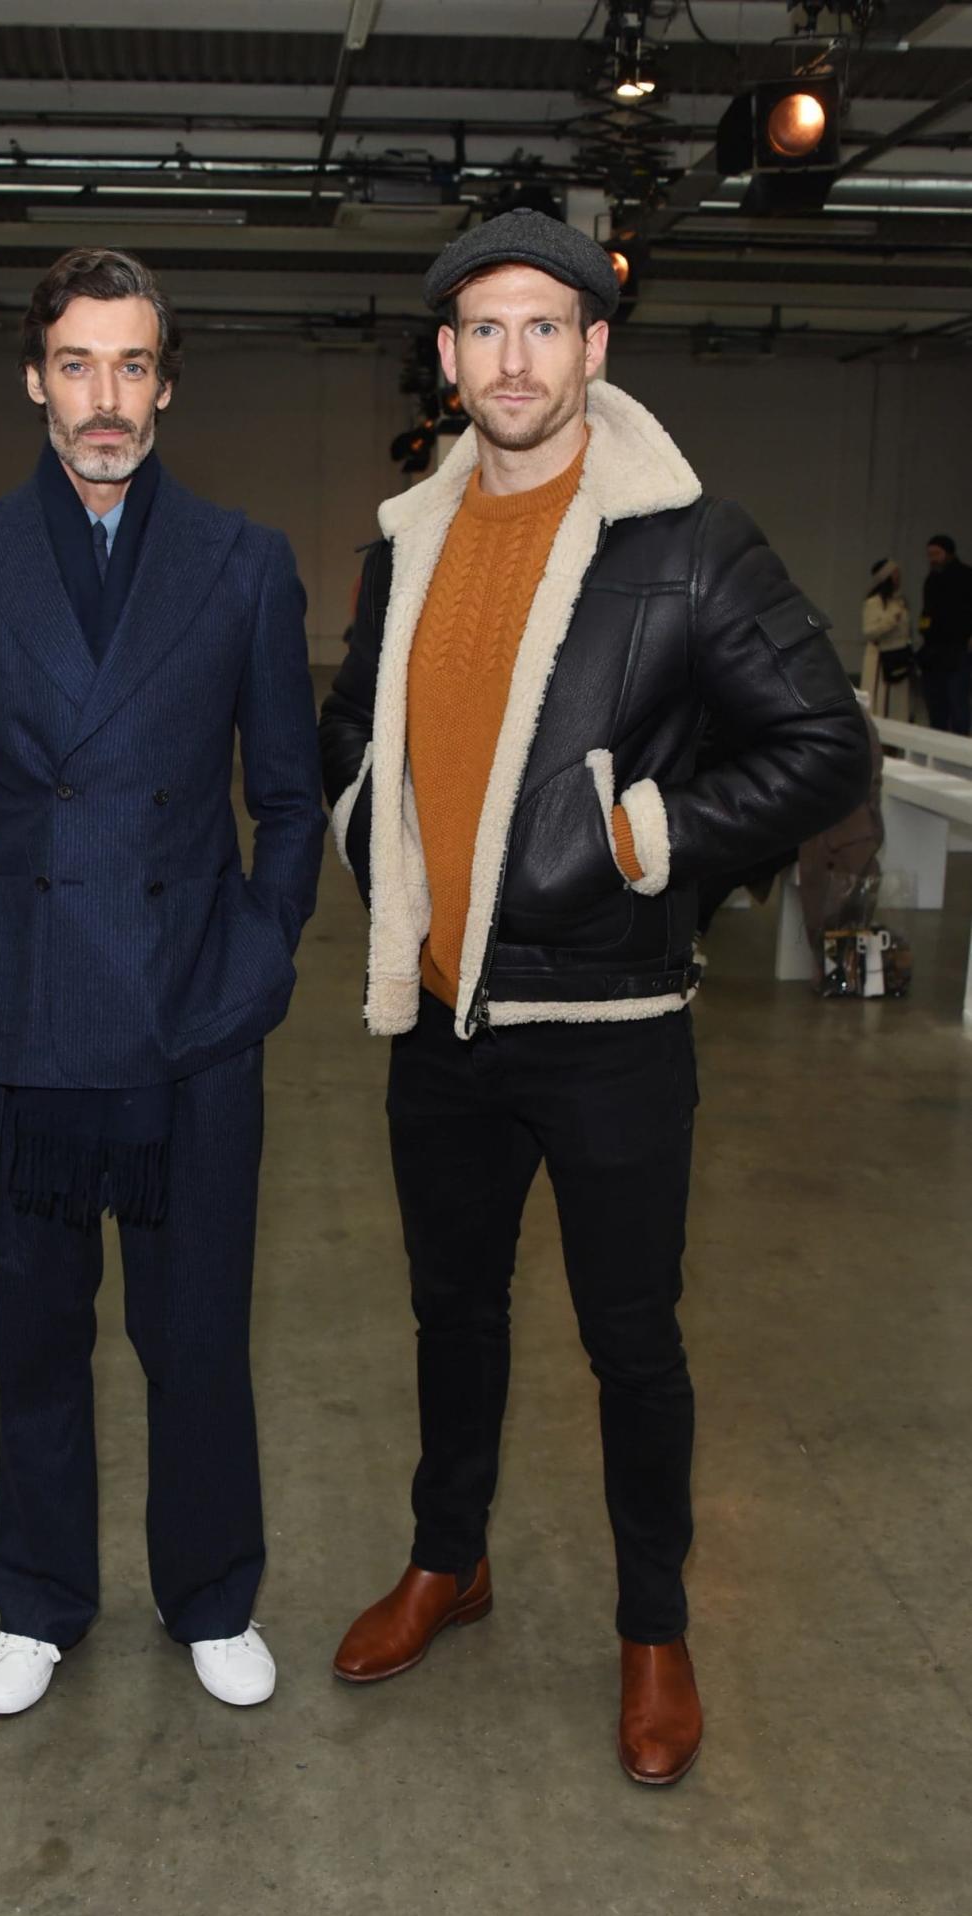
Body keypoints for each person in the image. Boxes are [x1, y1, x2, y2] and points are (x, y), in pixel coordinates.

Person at [319, 208, 869, 1786]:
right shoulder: (405, 535)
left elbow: (821, 744)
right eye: (482, 329)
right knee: (450, 1312)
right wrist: (374, 827)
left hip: (613, 1028)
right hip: (439, 1020)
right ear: (445, 356)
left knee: (632, 1340)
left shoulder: (687, 537)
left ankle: (651, 1623)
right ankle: (451, 1556)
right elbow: (351, 726)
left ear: (592, 348)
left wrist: (654, 840)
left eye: (542, 327)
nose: (512, 358)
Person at [0, 248, 324, 1718]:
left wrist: (257, 960)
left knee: (196, 1324)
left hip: (192, 1015)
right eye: (76, 365)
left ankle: (210, 1591)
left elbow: (289, 791)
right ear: (34, 378)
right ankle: (40, 1597)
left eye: (132, 366)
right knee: (36, 1326)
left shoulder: (242, 559)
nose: (105, 398)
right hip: (18, 1022)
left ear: (166, 384)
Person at [916, 534, 972, 734]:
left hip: (956, 650)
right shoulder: (932, 579)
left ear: (948, 553)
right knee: (936, 704)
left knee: (957, 702)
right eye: (930, 554)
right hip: (934, 651)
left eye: (936, 554)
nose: (932, 558)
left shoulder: (966, 577)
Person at [860, 558, 913, 720]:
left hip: (899, 656)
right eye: (895, 574)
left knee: (897, 701)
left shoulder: (899, 601)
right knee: (880, 699)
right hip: (880, 659)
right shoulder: (873, 603)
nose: (899, 577)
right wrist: (891, 621)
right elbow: (869, 631)